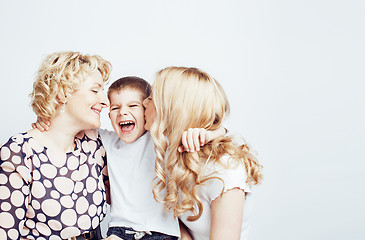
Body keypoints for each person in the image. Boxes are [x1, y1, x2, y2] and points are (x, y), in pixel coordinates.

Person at [34, 76, 226, 240]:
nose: (123, 112)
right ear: (108, 114)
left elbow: (222, 133)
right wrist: (47, 117)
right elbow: (70, 122)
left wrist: (213, 133)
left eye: (132, 105)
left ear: (147, 110)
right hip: (119, 232)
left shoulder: (161, 140)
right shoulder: (107, 141)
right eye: (115, 108)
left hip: (162, 234)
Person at [0, 51, 111, 240]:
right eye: (95, 90)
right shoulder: (19, 152)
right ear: (62, 93)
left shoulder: (93, 143)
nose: (105, 102)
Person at [143, 66, 263, 240]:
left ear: (172, 109)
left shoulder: (224, 171)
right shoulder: (171, 151)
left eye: (151, 97)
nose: (144, 103)